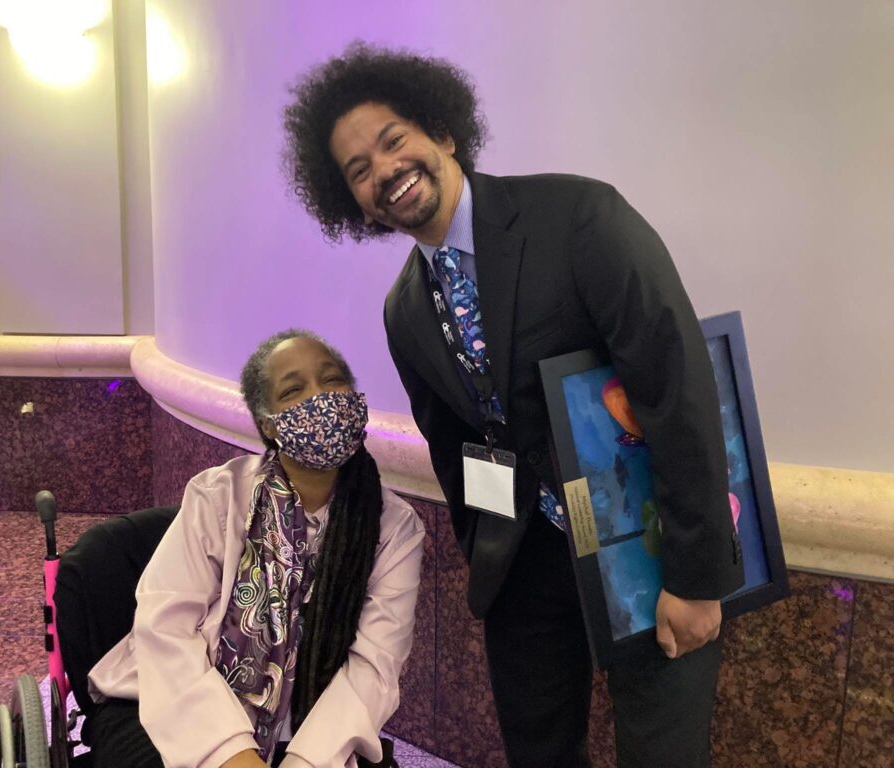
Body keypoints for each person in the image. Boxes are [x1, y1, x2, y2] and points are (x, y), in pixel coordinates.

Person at [282, 44, 743, 768]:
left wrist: (695, 576)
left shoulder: (579, 215)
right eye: (358, 171)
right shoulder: (403, 311)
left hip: (647, 549)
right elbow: (454, 453)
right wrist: (487, 565)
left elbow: (674, 384)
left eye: (392, 141)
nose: (384, 172)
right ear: (354, 202)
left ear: (442, 131)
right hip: (527, 573)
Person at [87, 329, 425, 768]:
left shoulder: (395, 528)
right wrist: (231, 755)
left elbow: (374, 668)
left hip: (312, 729)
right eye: (294, 389)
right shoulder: (218, 497)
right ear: (268, 424)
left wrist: (306, 761)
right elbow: (164, 629)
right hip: (172, 708)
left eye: (333, 380)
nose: (320, 397)